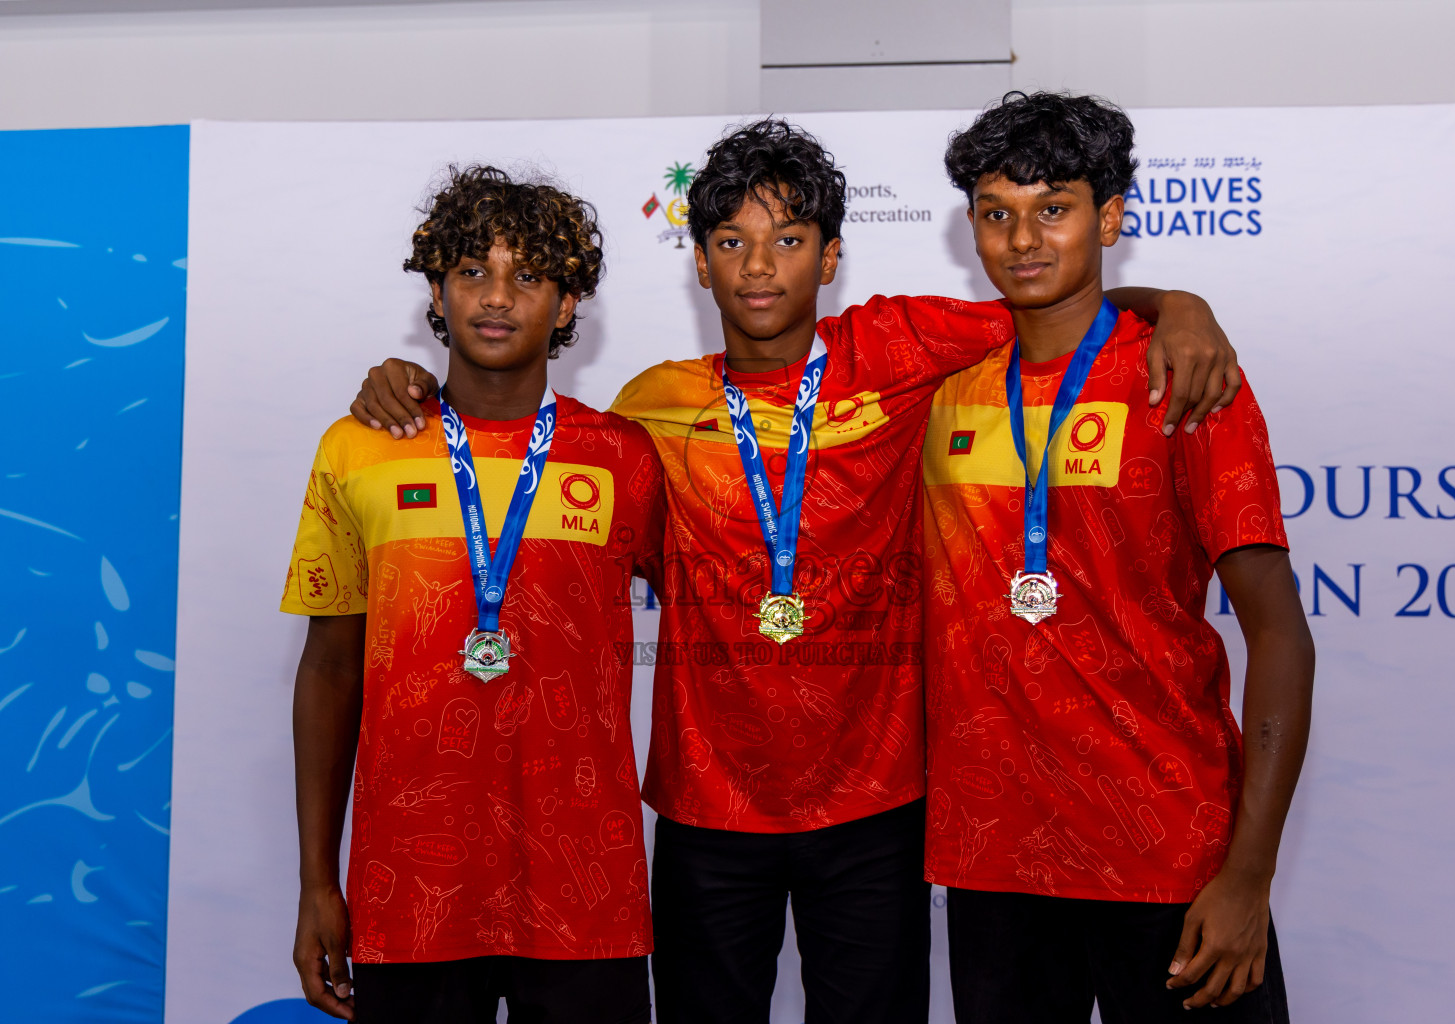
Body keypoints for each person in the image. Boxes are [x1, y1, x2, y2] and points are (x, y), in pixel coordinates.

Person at [349, 119, 1241, 1024]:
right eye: (732, 243)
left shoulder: (900, 346)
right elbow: (527, 465)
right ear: (700, 263)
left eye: (788, 240)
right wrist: (412, 385)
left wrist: (1175, 305)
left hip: (874, 808)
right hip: (706, 814)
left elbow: (1053, 302)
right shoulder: (645, 411)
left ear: (831, 256)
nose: (760, 267)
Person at [922, 92, 1313, 1022]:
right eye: (996, 214)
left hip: (1170, 851)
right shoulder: (938, 390)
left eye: (1052, 209)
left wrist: (1248, 877)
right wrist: (1174, 296)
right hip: (994, 860)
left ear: (1109, 218)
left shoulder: (1183, 375)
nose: (1023, 239)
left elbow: (1282, 637)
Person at [283, 166, 665, 1024]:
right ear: (437, 290)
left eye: (528, 275)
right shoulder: (358, 446)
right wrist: (317, 881)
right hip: (407, 895)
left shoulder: (623, 457)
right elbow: (330, 670)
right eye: (472, 272)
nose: (497, 297)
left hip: (585, 898)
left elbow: (712, 620)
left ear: (567, 305)